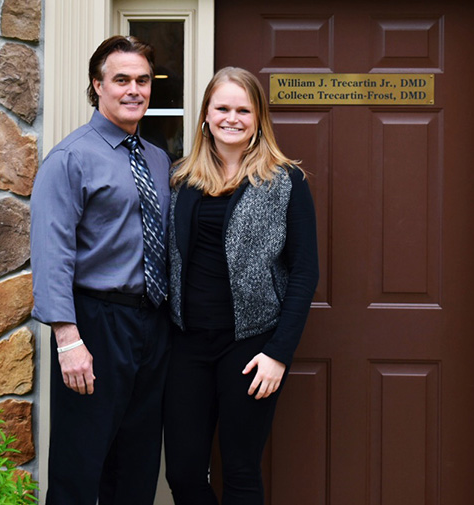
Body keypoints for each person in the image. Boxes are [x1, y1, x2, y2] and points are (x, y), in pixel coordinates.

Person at [163, 67, 319, 505]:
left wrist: (278, 355)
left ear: (258, 119)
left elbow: (305, 273)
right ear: (205, 117)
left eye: (243, 110)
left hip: (252, 348)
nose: (232, 118)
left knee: (241, 470)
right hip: (186, 346)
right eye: (223, 108)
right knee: (183, 472)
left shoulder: (286, 182)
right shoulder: (180, 179)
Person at [30, 35, 171, 505]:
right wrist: (68, 341)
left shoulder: (157, 159)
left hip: (151, 324)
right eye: (122, 79)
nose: (134, 90)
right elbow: (52, 254)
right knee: (80, 465)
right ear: (98, 85)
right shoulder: (70, 158)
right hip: (95, 323)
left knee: (137, 465)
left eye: (143, 80)